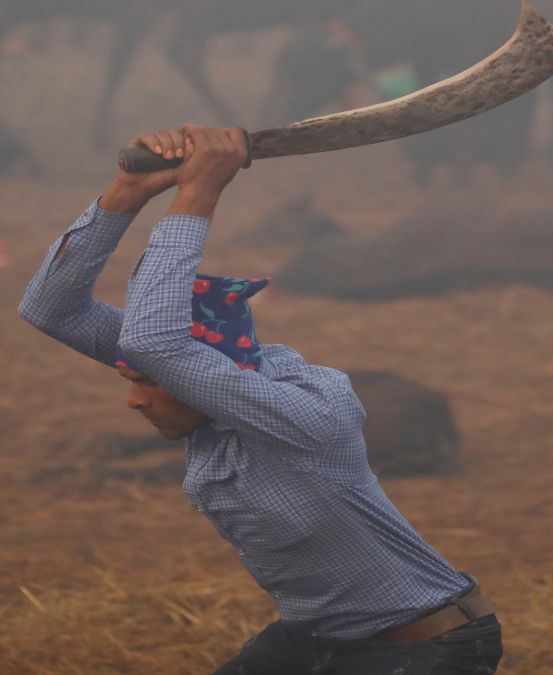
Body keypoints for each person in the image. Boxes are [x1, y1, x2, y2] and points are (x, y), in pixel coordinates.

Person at [19, 124, 502, 675]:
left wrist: (199, 193)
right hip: (314, 638)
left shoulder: (310, 412)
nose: (133, 402)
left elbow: (156, 342)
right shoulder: (202, 383)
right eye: (132, 378)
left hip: (429, 646)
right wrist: (127, 191)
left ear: (206, 371)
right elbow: (49, 311)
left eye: (148, 381)